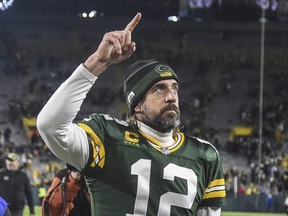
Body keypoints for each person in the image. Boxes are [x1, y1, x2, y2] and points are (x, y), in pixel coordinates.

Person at [37, 12, 226, 215]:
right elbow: (50, 126)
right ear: (137, 105)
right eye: (159, 89)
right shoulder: (107, 136)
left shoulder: (205, 155)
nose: (171, 96)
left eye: (174, 88)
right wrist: (98, 62)